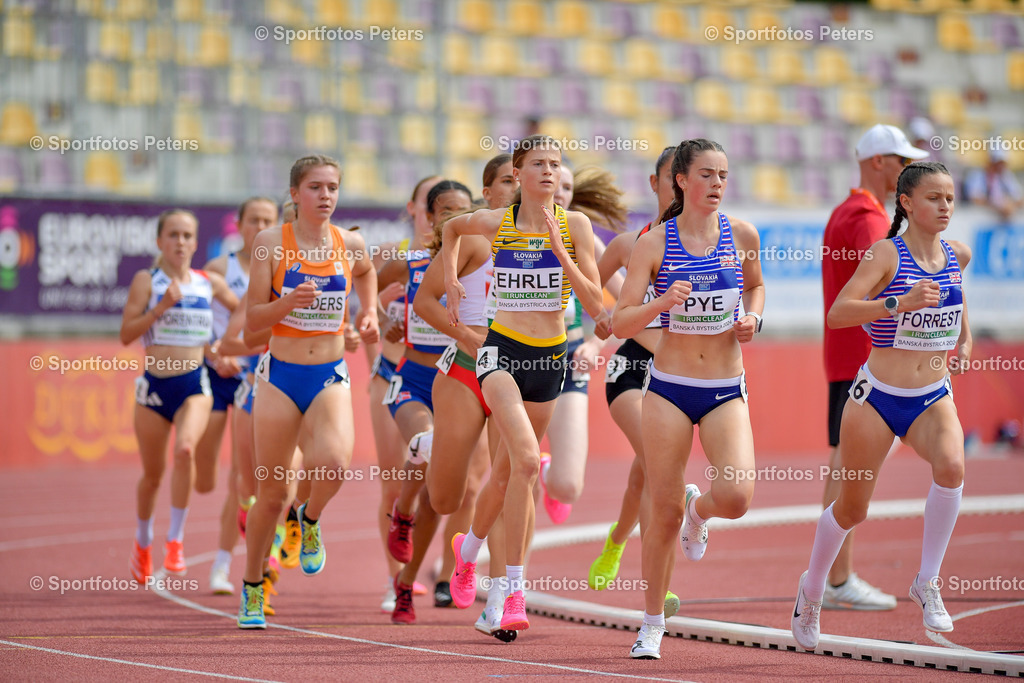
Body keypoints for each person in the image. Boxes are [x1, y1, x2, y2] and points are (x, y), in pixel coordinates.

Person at [792, 162, 971, 650]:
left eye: (950, 198)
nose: (945, 207)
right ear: (907, 203)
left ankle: (927, 582)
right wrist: (898, 303)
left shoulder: (956, 254)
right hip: (877, 398)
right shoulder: (886, 254)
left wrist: (965, 340)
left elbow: (957, 301)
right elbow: (839, 313)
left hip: (932, 395)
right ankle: (812, 589)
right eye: (934, 198)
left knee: (952, 466)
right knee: (852, 509)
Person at [443, 134, 606, 632]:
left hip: (551, 359)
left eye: (555, 164)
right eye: (539, 164)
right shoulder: (497, 222)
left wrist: (562, 254)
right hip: (501, 353)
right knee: (529, 463)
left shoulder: (575, 226)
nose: (549, 172)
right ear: (518, 173)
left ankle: (466, 552)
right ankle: (514, 592)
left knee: (504, 476)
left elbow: (596, 304)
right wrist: (450, 278)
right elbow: (450, 229)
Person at [612, 139, 765, 660]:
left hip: (724, 387)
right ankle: (652, 623)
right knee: (663, 510)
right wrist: (661, 302)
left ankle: (700, 511)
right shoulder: (655, 243)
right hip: (669, 389)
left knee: (737, 497)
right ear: (681, 180)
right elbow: (620, 321)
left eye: (723, 174)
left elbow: (756, 288)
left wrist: (753, 317)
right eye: (706, 174)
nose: (717, 183)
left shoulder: (742, 234)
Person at [237, 155, 379, 629]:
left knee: (334, 464)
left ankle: (310, 518)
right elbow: (253, 320)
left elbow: (366, 272)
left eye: (333, 187)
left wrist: (369, 311)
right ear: (295, 194)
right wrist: (286, 303)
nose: (326, 196)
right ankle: (253, 586)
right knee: (271, 493)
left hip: (329, 374)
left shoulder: (350, 243)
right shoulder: (269, 244)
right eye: (315, 187)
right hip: (279, 377)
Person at [819, 124, 930, 611]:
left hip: (850, 356)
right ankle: (836, 578)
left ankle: (832, 576)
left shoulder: (848, 211)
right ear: (878, 162)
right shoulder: (867, 219)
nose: (908, 171)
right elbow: (889, 285)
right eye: (902, 162)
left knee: (847, 462)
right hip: (865, 358)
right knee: (851, 466)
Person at [121, 209, 238, 583]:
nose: (181, 242)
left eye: (187, 236)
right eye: (173, 235)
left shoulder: (208, 282)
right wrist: (160, 308)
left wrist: (224, 347)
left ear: (196, 242)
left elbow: (246, 313)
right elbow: (126, 334)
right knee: (152, 476)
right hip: (155, 389)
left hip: (194, 385)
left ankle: (175, 539)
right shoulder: (148, 280)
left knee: (185, 450)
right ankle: (143, 540)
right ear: (160, 241)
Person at [376, 180, 474, 620]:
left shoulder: (481, 264)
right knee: (425, 443)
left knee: (441, 495)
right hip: (413, 380)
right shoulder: (411, 262)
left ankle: (406, 581)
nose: (456, 217)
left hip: (458, 383)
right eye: (447, 210)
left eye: (464, 209)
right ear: (430, 218)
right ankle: (402, 512)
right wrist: (384, 320)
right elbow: (365, 289)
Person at [590, 148, 679, 616]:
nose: (681, 188)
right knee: (656, 462)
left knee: (646, 473)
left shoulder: (713, 245)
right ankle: (657, 588)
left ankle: (617, 539)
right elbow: (584, 289)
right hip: (632, 370)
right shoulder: (630, 244)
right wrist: (593, 330)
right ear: (655, 183)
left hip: (681, 374)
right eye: (672, 179)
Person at [537, 165, 628, 524]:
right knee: (510, 470)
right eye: (554, 184)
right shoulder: (507, 233)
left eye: (568, 187)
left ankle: (547, 472)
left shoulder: (586, 240)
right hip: (515, 362)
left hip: (567, 363)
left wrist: (594, 344)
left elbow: (630, 304)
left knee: (568, 487)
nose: (560, 192)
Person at [198, 197, 278, 595]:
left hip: (259, 374)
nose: (259, 227)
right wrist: (215, 354)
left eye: (267, 220)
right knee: (204, 476)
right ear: (239, 225)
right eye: (253, 220)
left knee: (242, 479)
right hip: (220, 372)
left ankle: (224, 564)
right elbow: (195, 321)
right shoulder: (218, 269)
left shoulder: (281, 266)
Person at [372, 175, 441, 612]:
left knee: (442, 486)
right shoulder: (392, 257)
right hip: (393, 374)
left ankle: (434, 571)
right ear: (416, 208)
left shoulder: (468, 257)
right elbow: (362, 312)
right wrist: (383, 322)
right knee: (393, 480)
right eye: (430, 203)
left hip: (449, 377)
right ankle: (394, 580)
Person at [963, 148, 1023, 222]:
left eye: (1002, 163)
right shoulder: (978, 175)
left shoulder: (1006, 176)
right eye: (997, 163)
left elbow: (1019, 198)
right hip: (981, 221)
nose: (1000, 166)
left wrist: (1010, 205)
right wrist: (996, 206)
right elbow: (975, 198)